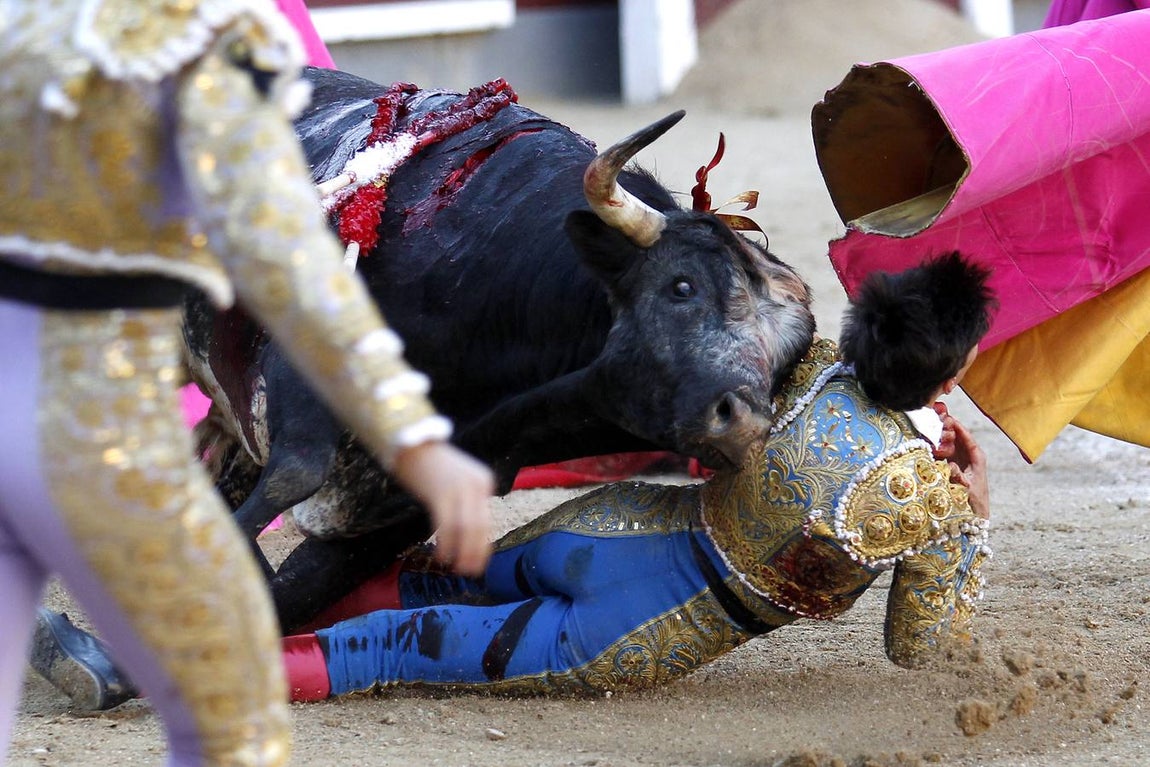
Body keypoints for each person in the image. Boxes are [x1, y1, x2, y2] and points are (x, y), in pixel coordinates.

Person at [0, 2, 492, 765]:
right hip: (89, 430)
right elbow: (293, 271)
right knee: (235, 723)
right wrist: (417, 442)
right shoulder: (207, 42)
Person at [278, 252, 995, 700]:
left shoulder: (808, 363)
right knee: (390, 646)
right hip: (635, 627)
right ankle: (192, 671)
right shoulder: (930, 501)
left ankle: (245, 615)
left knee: (437, 582)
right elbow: (922, 647)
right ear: (949, 374)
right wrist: (974, 507)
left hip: (610, 527)